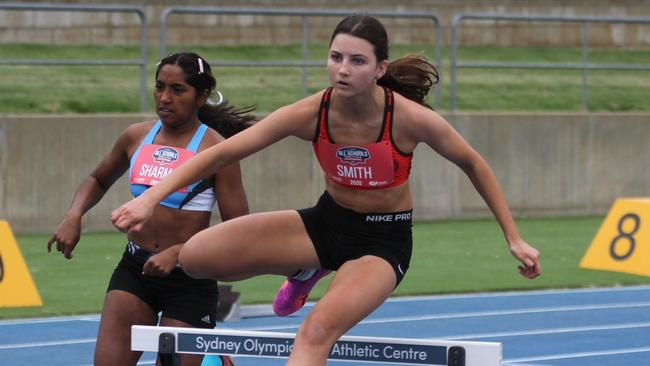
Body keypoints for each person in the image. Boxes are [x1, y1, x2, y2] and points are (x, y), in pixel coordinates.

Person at [110, 15, 542, 366]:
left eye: (357, 61)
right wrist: (148, 197)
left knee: (315, 332)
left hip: (380, 241)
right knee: (197, 258)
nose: (343, 69)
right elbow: (221, 154)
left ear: (380, 69)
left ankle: (310, 271)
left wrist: (514, 237)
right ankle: (306, 267)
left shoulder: (409, 119)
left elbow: (474, 163)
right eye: (336, 57)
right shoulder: (309, 112)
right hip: (325, 223)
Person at [47, 52, 253, 366]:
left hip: (190, 281)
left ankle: (211, 355)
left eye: (178, 90)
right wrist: (74, 215)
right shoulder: (136, 136)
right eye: (160, 87)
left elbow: (238, 231)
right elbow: (97, 178)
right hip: (135, 272)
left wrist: (180, 253)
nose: (165, 98)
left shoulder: (217, 151)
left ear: (202, 96)